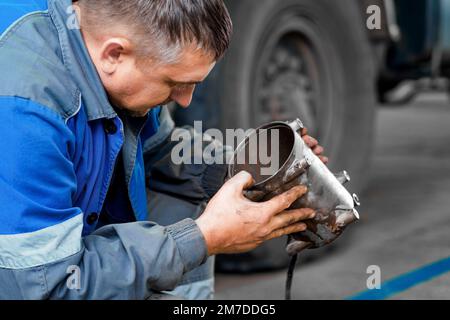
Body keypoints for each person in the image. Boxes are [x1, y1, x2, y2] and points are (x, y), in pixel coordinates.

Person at [0, 0, 327, 299]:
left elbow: (158, 151)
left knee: (189, 195)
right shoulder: (27, 111)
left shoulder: (103, 44)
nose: (185, 100)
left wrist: (250, 170)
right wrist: (202, 239)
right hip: (35, 282)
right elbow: (48, 288)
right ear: (114, 54)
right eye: (174, 83)